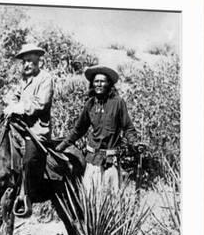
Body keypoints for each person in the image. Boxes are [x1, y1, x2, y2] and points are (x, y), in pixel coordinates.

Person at [56, 65, 144, 194]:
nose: (99, 84)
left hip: (110, 160)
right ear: (92, 84)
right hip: (92, 160)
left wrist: (135, 143)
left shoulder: (118, 103)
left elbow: (128, 128)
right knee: (90, 199)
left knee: (111, 199)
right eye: (96, 81)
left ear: (109, 83)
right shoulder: (90, 104)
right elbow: (78, 129)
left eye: (102, 81)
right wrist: (62, 146)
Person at [3, 43, 54, 216]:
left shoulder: (45, 78)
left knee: (28, 160)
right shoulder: (23, 80)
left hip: (36, 130)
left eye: (30, 61)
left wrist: (19, 107)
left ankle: (26, 197)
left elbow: (40, 103)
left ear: (38, 61)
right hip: (19, 127)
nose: (26, 65)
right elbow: (14, 95)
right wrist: (10, 101)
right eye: (24, 61)